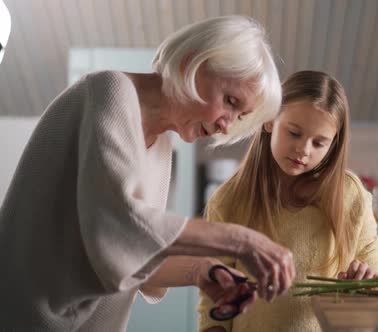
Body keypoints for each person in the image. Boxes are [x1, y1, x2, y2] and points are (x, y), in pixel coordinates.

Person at [0, 15, 296, 331]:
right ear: (190, 62)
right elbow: (118, 222)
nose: (228, 123)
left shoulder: (162, 148)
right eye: (230, 100)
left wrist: (202, 272)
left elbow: (131, 254)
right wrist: (242, 241)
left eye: (240, 115)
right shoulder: (109, 91)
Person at [198, 70, 378, 332]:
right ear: (270, 120)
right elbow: (213, 299)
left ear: (333, 145)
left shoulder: (350, 194)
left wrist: (366, 284)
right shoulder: (229, 200)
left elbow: (377, 284)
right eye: (294, 133)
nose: (304, 150)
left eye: (319, 143)